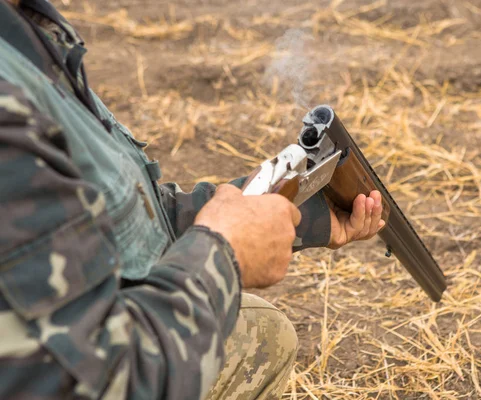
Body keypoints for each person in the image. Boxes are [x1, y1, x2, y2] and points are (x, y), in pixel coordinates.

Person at [0, 0, 385, 398]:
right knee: (259, 340)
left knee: (260, 331)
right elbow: (98, 381)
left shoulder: (26, 30)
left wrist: (294, 208)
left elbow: (117, 215)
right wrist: (224, 253)